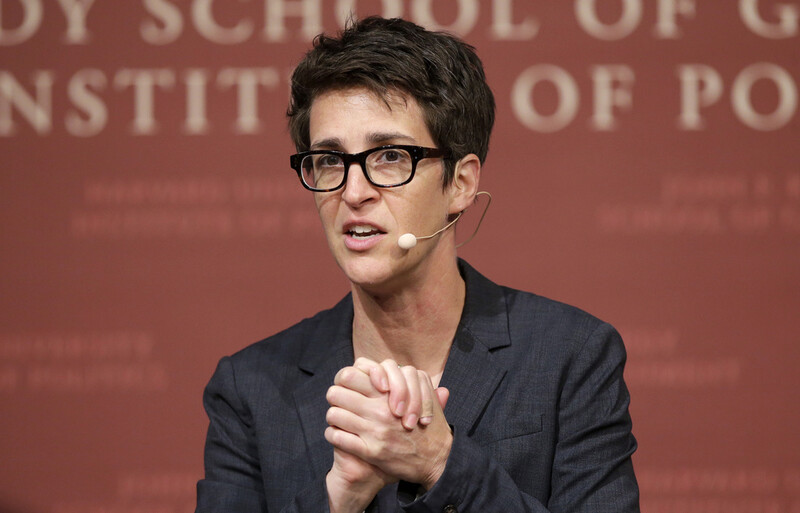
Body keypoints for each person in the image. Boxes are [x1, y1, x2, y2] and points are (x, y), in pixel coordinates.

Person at [196, 16, 639, 513]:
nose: (354, 192)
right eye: (329, 159)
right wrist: (337, 500)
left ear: (460, 184)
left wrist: (441, 465)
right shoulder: (251, 386)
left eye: (389, 157)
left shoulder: (569, 355)